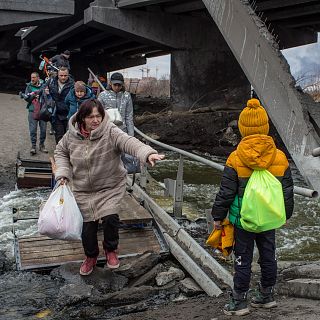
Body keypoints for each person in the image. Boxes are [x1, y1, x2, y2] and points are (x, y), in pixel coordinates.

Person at [54, 99, 164, 275]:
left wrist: (148, 153)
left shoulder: (110, 131)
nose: (96, 120)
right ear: (82, 118)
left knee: (110, 218)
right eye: (91, 117)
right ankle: (91, 256)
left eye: (98, 116)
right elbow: (60, 153)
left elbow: (129, 142)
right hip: (82, 188)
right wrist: (63, 174)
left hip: (109, 186)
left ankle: (111, 250)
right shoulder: (71, 136)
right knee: (88, 226)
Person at [211, 98, 294, 316]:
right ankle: (266, 296)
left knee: (243, 259)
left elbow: (226, 192)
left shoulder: (236, 157)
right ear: (266, 126)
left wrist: (218, 216)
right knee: (269, 255)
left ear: (242, 128)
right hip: (269, 218)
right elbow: (287, 191)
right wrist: (286, 215)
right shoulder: (279, 157)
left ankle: (239, 302)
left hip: (243, 220)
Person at [45, 67, 74, 143]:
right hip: (56, 114)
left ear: (68, 75)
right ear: (58, 75)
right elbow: (42, 90)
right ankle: (59, 154)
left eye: (65, 75)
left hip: (68, 114)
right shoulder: (51, 82)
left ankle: (67, 154)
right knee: (59, 135)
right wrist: (46, 94)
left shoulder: (72, 85)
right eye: (61, 75)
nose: (63, 77)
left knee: (68, 136)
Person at [24, 72, 48, 155]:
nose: (32, 79)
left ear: (38, 78)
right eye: (31, 77)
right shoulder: (29, 86)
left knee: (43, 130)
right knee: (33, 130)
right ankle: (33, 146)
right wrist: (33, 96)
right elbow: (26, 99)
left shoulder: (44, 85)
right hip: (32, 110)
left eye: (34, 77)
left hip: (43, 111)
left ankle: (42, 145)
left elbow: (48, 96)